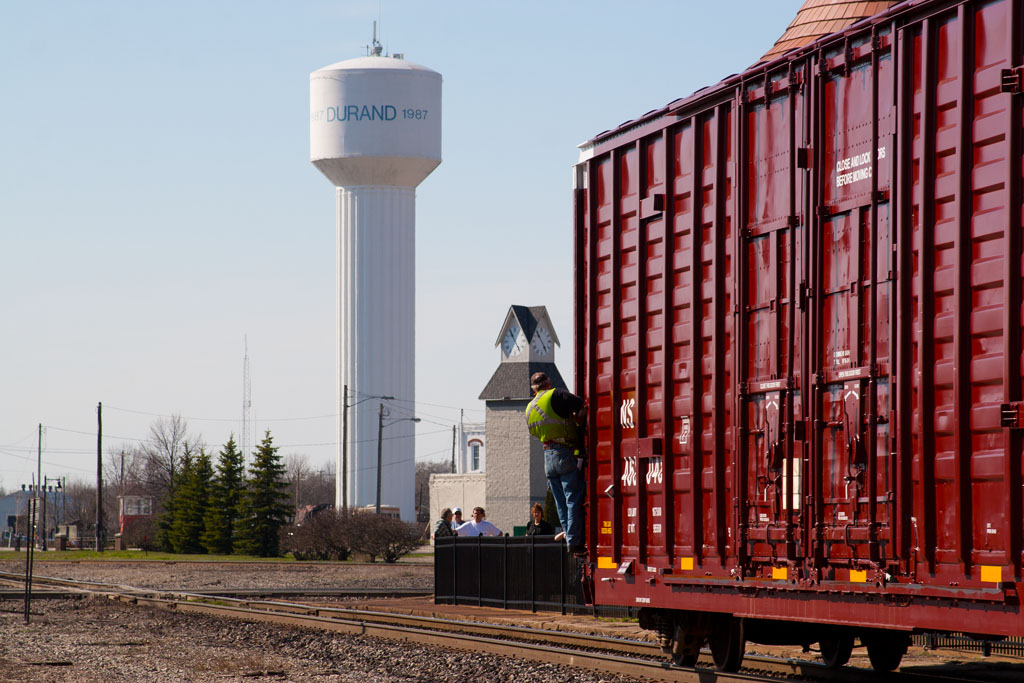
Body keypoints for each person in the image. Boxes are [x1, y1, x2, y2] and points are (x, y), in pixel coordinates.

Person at [525, 371, 587, 555]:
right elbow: (581, 404)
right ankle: (574, 541)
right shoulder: (557, 394)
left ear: (533, 388)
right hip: (564, 452)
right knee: (573, 497)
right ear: (548, 382)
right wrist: (578, 422)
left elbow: (533, 432)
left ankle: (569, 537)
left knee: (560, 503)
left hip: (547, 455)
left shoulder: (529, 407)